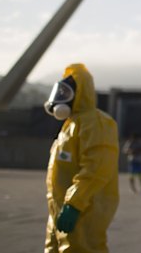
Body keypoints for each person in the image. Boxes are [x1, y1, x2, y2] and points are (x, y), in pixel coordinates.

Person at [43, 63, 120, 253]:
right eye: (59, 92)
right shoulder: (70, 125)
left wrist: (74, 204)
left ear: (80, 93)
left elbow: (97, 169)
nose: (60, 98)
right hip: (60, 209)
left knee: (84, 248)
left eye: (65, 93)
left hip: (84, 210)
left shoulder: (96, 123)